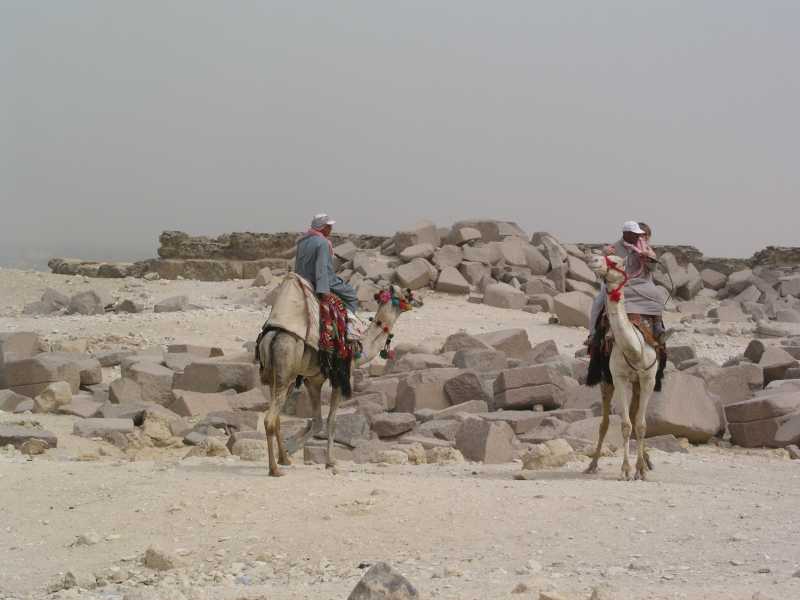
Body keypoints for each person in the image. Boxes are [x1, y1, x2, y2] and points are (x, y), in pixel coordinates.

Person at [588, 220, 665, 342]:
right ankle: (593, 334)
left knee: (657, 294)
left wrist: (649, 258)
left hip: (641, 282)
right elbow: (602, 269)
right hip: (619, 282)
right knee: (599, 302)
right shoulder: (613, 248)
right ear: (627, 234)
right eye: (639, 234)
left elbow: (652, 268)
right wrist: (605, 255)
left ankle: (658, 326)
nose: (641, 237)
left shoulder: (645, 248)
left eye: (644, 235)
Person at [294, 213, 359, 314]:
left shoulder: (302, 241)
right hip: (323, 282)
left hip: (302, 280)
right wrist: (323, 291)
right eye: (328, 226)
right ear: (322, 227)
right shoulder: (322, 242)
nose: (331, 228)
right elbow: (321, 268)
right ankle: (349, 321)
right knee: (351, 295)